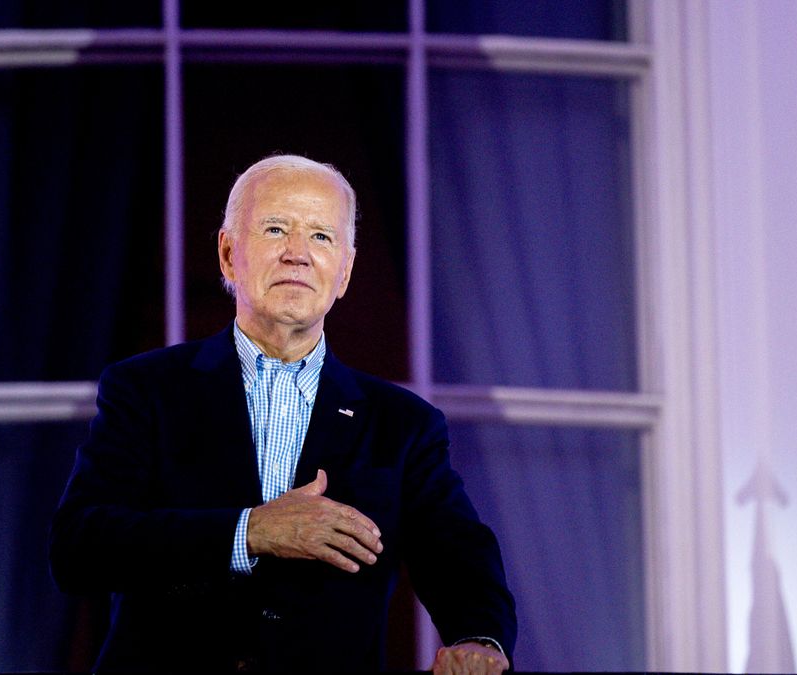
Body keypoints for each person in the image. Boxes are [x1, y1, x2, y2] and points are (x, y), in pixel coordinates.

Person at [50, 155, 516, 673]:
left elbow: (457, 554)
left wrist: (481, 640)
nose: (298, 254)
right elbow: (80, 547)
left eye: (321, 237)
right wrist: (250, 531)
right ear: (228, 255)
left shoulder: (403, 425)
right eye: (276, 229)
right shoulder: (145, 389)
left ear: (345, 271)